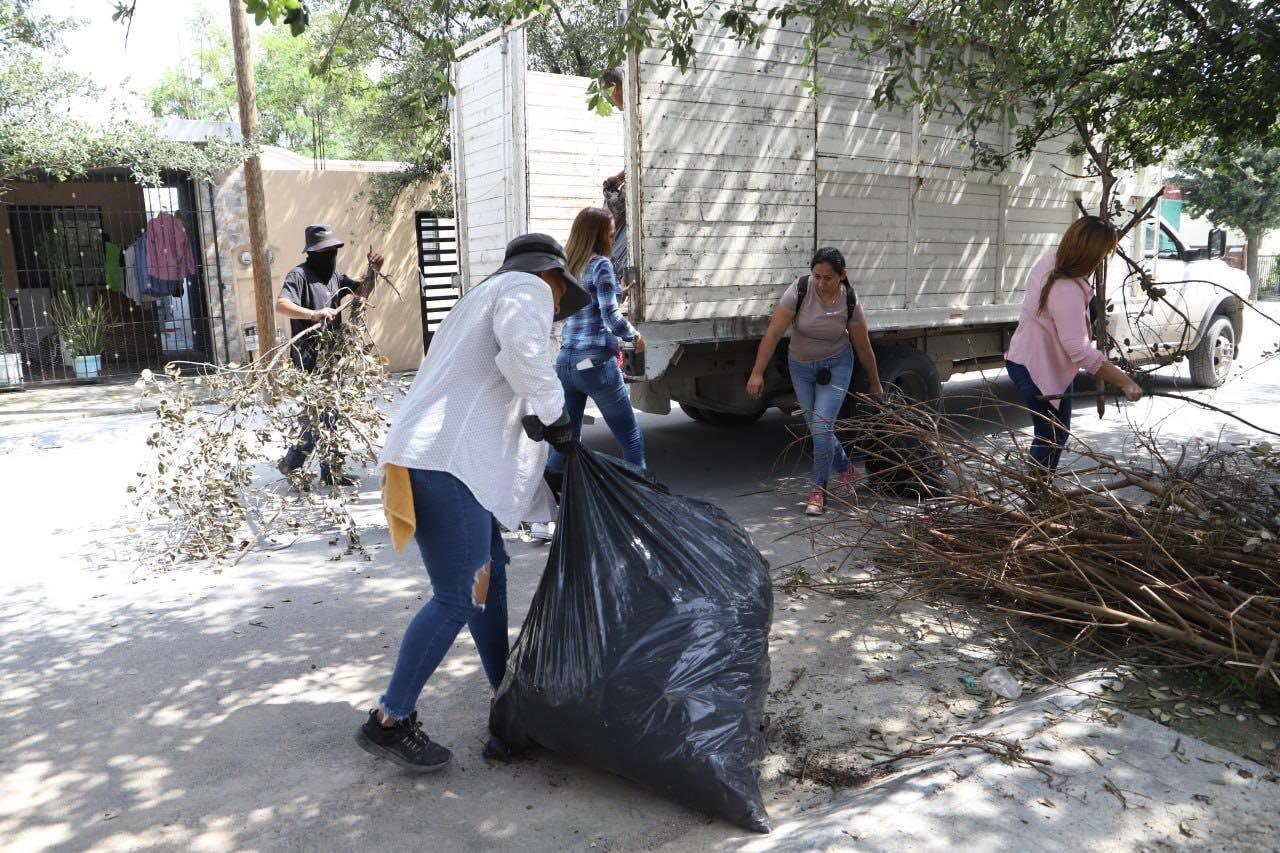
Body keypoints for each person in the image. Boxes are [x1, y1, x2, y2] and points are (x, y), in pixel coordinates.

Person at [356, 233, 590, 772]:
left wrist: (532, 413)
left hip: (439, 459)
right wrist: (556, 416)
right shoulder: (526, 288)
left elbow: (488, 379)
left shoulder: (476, 300)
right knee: (458, 596)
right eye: (561, 295)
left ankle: (504, 692)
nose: (557, 307)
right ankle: (389, 720)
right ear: (549, 274)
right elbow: (524, 352)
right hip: (444, 463)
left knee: (490, 578)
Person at [528, 209, 646, 545]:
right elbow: (609, 317)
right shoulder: (601, 265)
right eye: (610, 231)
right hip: (595, 363)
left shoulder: (568, 266)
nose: (613, 237)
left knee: (567, 438)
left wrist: (618, 292)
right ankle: (640, 507)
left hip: (566, 361)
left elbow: (585, 306)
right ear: (598, 234)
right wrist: (634, 337)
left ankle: (543, 519)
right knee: (630, 436)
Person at [747, 247, 883, 516]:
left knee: (821, 426)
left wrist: (875, 382)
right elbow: (773, 334)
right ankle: (847, 471)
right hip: (801, 367)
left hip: (837, 365)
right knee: (817, 427)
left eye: (827, 278)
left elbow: (863, 345)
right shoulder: (799, 290)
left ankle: (818, 491)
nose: (820, 283)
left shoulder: (850, 300)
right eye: (816, 276)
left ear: (842, 275)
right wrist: (757, 372)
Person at [1005, 215, 1143, 473]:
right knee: (1052, 436)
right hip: (1038, 368)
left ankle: (1038, 495)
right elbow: (1079, 351)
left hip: (1032, 360)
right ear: (1092, 256)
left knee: (1054, 434)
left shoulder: (1052, 260)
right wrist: (1125, 381)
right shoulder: (1065, 288)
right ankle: (1036, 499)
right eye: (1103, 254)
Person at [275, 224, 384, 486]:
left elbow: (360, 292)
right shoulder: (299, 274)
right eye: (326, 250)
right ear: (313, 252)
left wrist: (374, 271)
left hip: (333, 355)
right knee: (319, 414)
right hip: (308, 357)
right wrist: (313, 314)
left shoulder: (335, 275)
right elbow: (281, 304)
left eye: (333, 250)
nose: (331, 255)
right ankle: (292, 464)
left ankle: (330, 471)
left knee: (330, 414)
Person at [600, 67, 632, 296]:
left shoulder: (636, 107)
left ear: (615, 87)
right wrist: (618, 178)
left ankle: (615, 287)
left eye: (610, 94)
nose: (611, 101)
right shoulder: (630, 111)